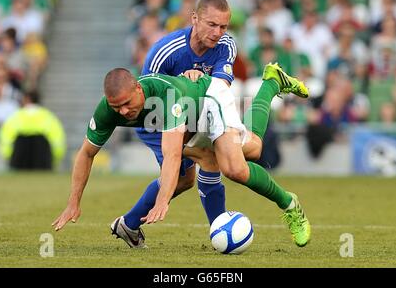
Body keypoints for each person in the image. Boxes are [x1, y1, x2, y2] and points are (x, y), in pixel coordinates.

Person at [52, 63, 311, 248]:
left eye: (126, 104)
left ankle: (289, 203)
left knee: (239, 164)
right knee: (201, 168)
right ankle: (132, 225)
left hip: (209, 100)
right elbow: (86, 153)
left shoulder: (167, 96)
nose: (121, 111)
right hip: (186, 124)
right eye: (115, 106)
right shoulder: (109, 109)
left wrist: (163, 200)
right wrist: (74, 201)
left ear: (139, 91)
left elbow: (172, 154)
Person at [134, 0, 237, 229]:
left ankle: (219, 230)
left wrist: (198, 83)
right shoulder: (166, 51)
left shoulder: (226, 45)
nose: (218, 32)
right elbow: (147, 96)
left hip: (193, 117)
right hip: (157, 119)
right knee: (183, 178)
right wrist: (182, 84)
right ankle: (129, 223)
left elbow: (221, 87)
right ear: (194, 19)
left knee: (194, 173)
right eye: (212, 24)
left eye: (223, 26)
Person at [0, 90, 66, 170]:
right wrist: (54, 159)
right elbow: (57, 141)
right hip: (42, 159)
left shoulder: (15, 116)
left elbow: (6, 139)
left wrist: (9, 157)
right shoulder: (49, 117)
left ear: (26, 99)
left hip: (20, 160)